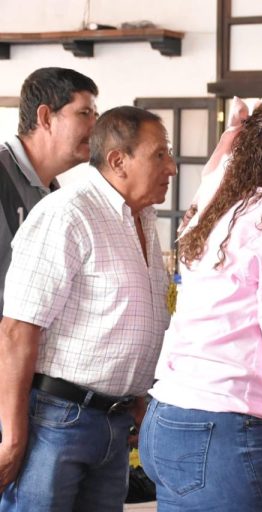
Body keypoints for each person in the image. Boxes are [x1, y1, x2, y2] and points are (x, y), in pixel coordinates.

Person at [140, 95, 262, 512]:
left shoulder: (219, 204)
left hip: (167, 419)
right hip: (221, 430)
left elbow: (215, 170)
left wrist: (234, 132)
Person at [0, 106, 174, 511]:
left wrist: (138, 401)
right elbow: (16, 330)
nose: (171, 167)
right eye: (160, 154)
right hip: (56, 419)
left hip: (115, 419)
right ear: (118, 160)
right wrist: (12, 437)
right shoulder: (67, 212)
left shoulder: (143, 217)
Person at [0, 67, 98, 315]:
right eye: (85, 113)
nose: (96, 126)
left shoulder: (54, 193)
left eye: (95, 115)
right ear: (45, 118)